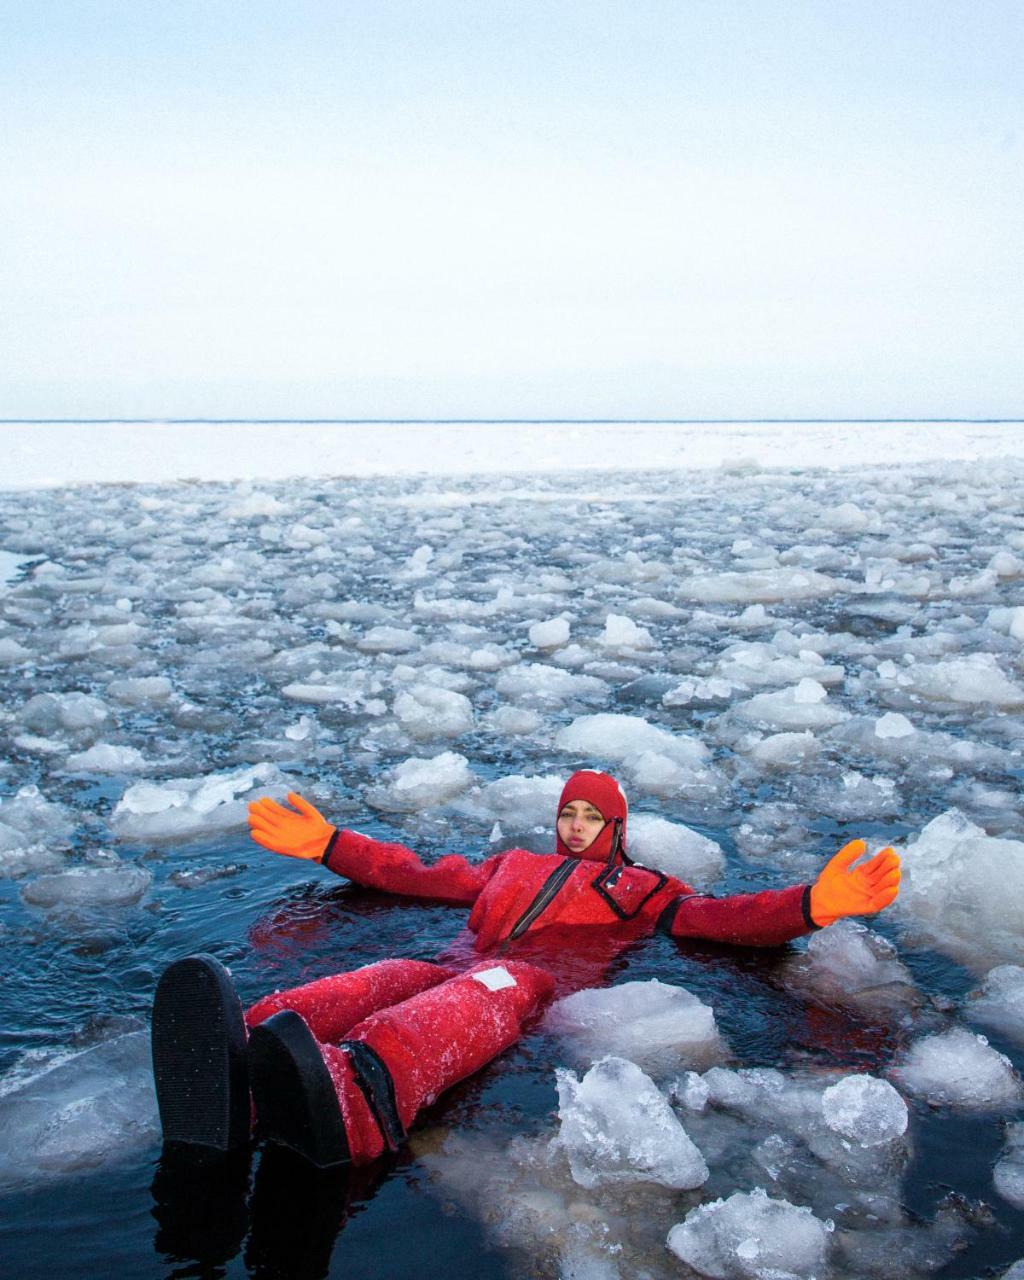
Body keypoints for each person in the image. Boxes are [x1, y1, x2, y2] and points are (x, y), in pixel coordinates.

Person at [152, 769, 900, 1168]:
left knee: (472, 998)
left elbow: (729, 921)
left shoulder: (641, 889)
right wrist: (332, 845)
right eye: (569, 812)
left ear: (616, 828)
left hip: (532, 985)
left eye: (591, 817)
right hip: (455, 961)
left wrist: (811, 905)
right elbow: (413, 872)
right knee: (381, 978)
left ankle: (356, 1100)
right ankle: (241, 1054)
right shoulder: (510, 865)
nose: (575, 826)